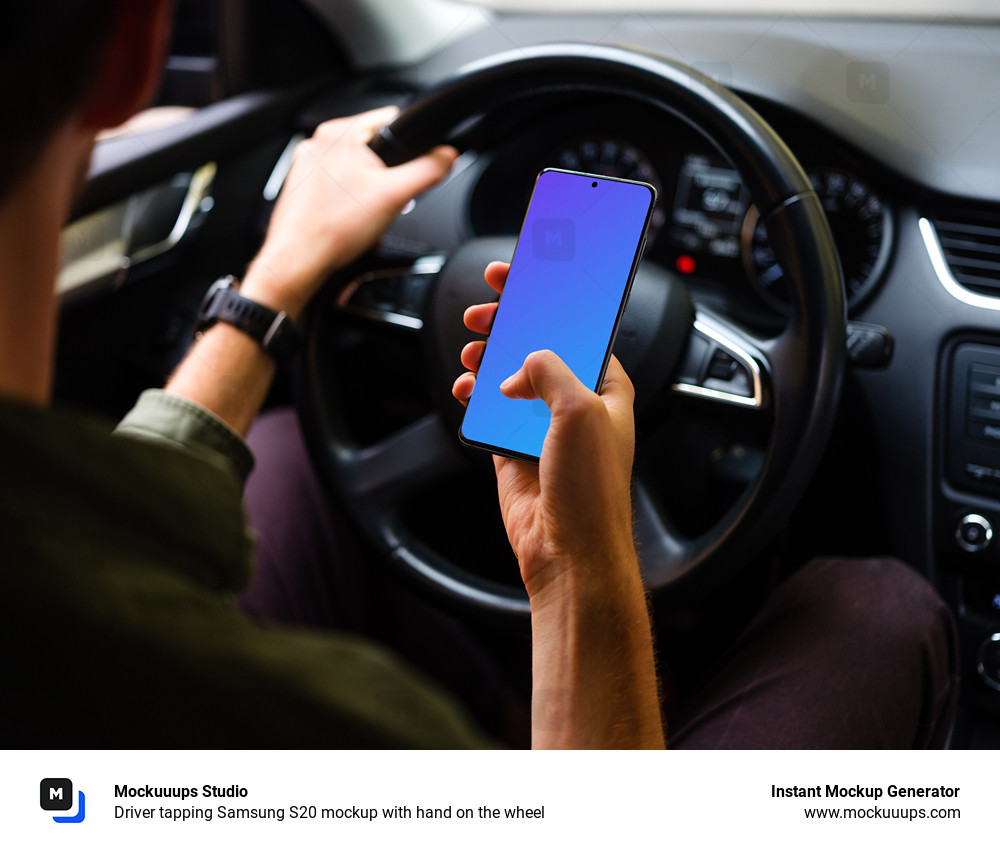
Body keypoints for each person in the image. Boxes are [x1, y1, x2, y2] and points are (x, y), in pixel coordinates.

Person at [0, 0, 957, 749]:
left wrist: (278, 279)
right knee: (873, 611)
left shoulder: (73, 578)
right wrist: (579, 570)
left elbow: (118, 528)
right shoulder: (347, 735)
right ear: (136, 49)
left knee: (286, 452)